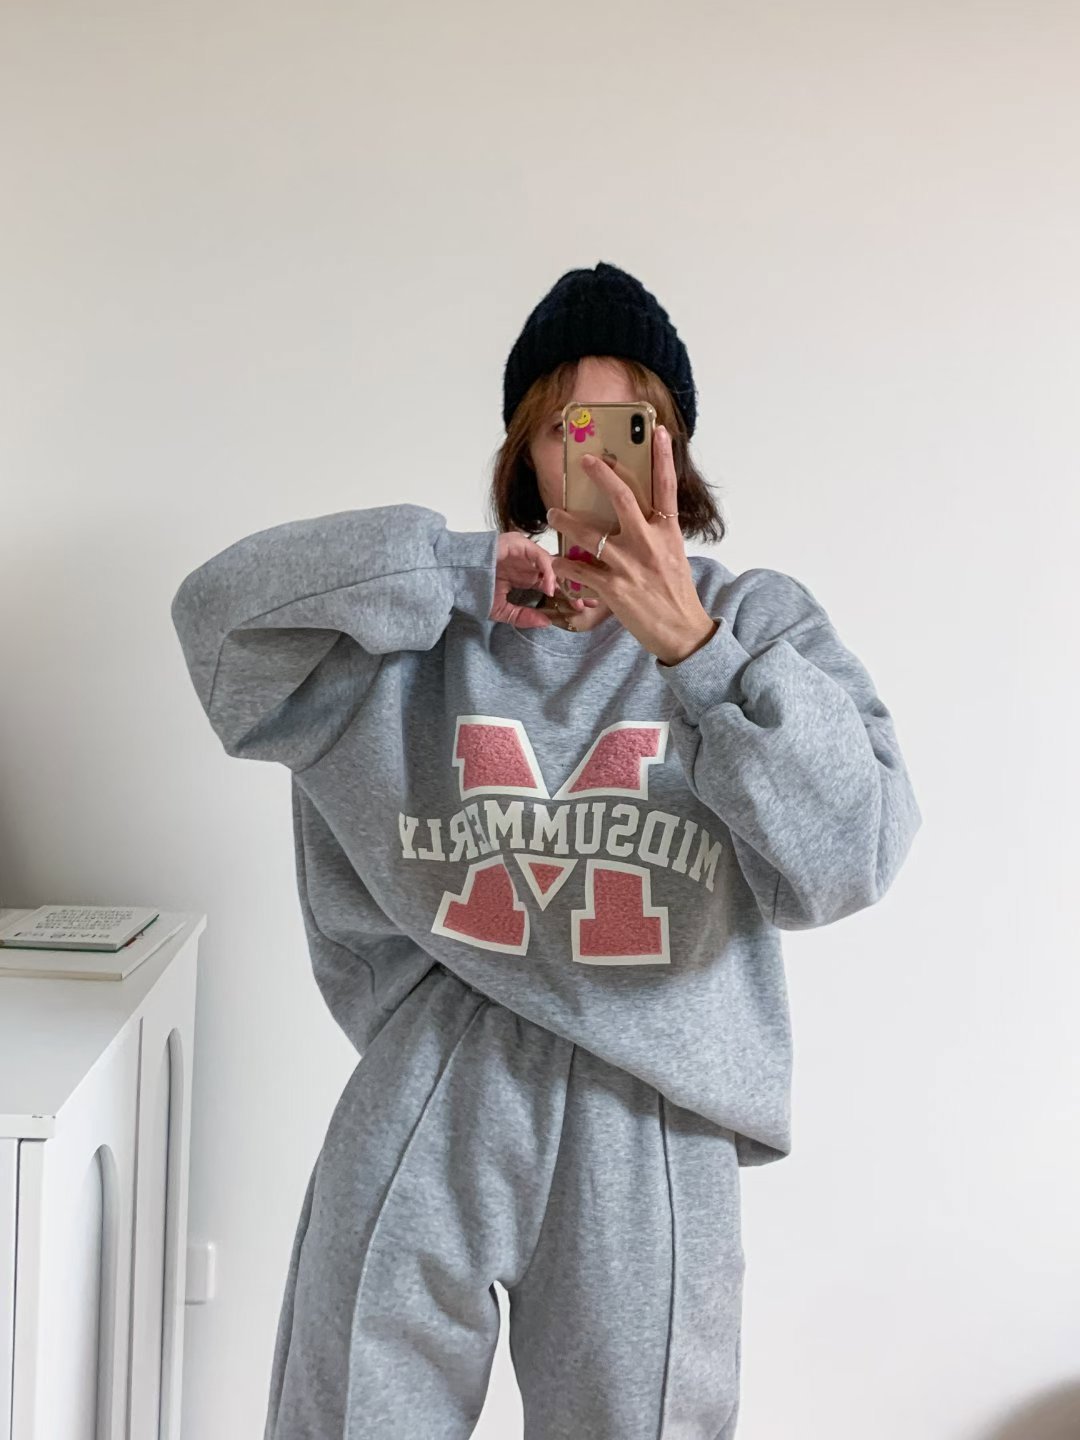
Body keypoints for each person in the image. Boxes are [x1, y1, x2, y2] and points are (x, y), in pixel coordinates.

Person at [170, 261, 922, 1439]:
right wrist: (450, 571)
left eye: (634, 427)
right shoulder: (417, 627)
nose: (603, 460)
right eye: (571, 427)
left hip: (653, 1103)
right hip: (434, 1074)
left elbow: (853, 850)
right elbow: (219, 628)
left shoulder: (756, 625)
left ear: (674, 449)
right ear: (526, 447)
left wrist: (698, 652)